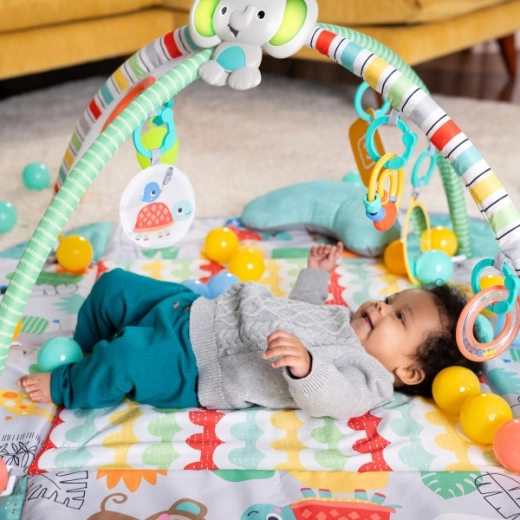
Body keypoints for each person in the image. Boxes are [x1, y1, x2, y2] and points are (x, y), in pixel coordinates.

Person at [17, 242, 480, 420]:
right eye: (392, 299)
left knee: (129, 357)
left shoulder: (369, 378)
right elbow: (298, 311)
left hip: (196, 364)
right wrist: (316, 276)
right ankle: (82, 349)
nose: (382, 305)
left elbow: (334, 400)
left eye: (399, 317)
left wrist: (308, 368)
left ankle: (69, 384)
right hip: (195, 309)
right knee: (115, 286)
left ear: (410, 371)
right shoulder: (345, 318)